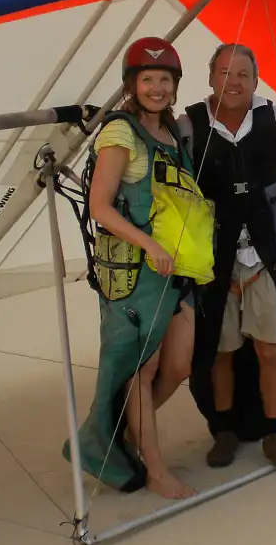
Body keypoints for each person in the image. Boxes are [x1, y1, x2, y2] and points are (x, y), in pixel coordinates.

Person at [63, 36, 216, 500]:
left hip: (176, 270)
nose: (156, 87)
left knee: (179, 365)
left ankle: (120, 437)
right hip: (136, 273)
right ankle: (154, 468)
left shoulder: (172, 134)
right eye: (147, 79)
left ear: (174, 86)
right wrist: (149, 245)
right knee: (141, 371)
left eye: (165, 79)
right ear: (132, 83)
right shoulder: (120, 132)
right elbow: (100, 207)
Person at [178, 42, 276, 469]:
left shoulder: (273, 115)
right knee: (220, 350)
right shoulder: (190, 123)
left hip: (263, 254)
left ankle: (272, 430)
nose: (234, 81)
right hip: (215, 254)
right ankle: (223, 430)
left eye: (243, 73)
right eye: (224, 72)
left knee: (271, 348)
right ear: (210, 78)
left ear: (255, 80)